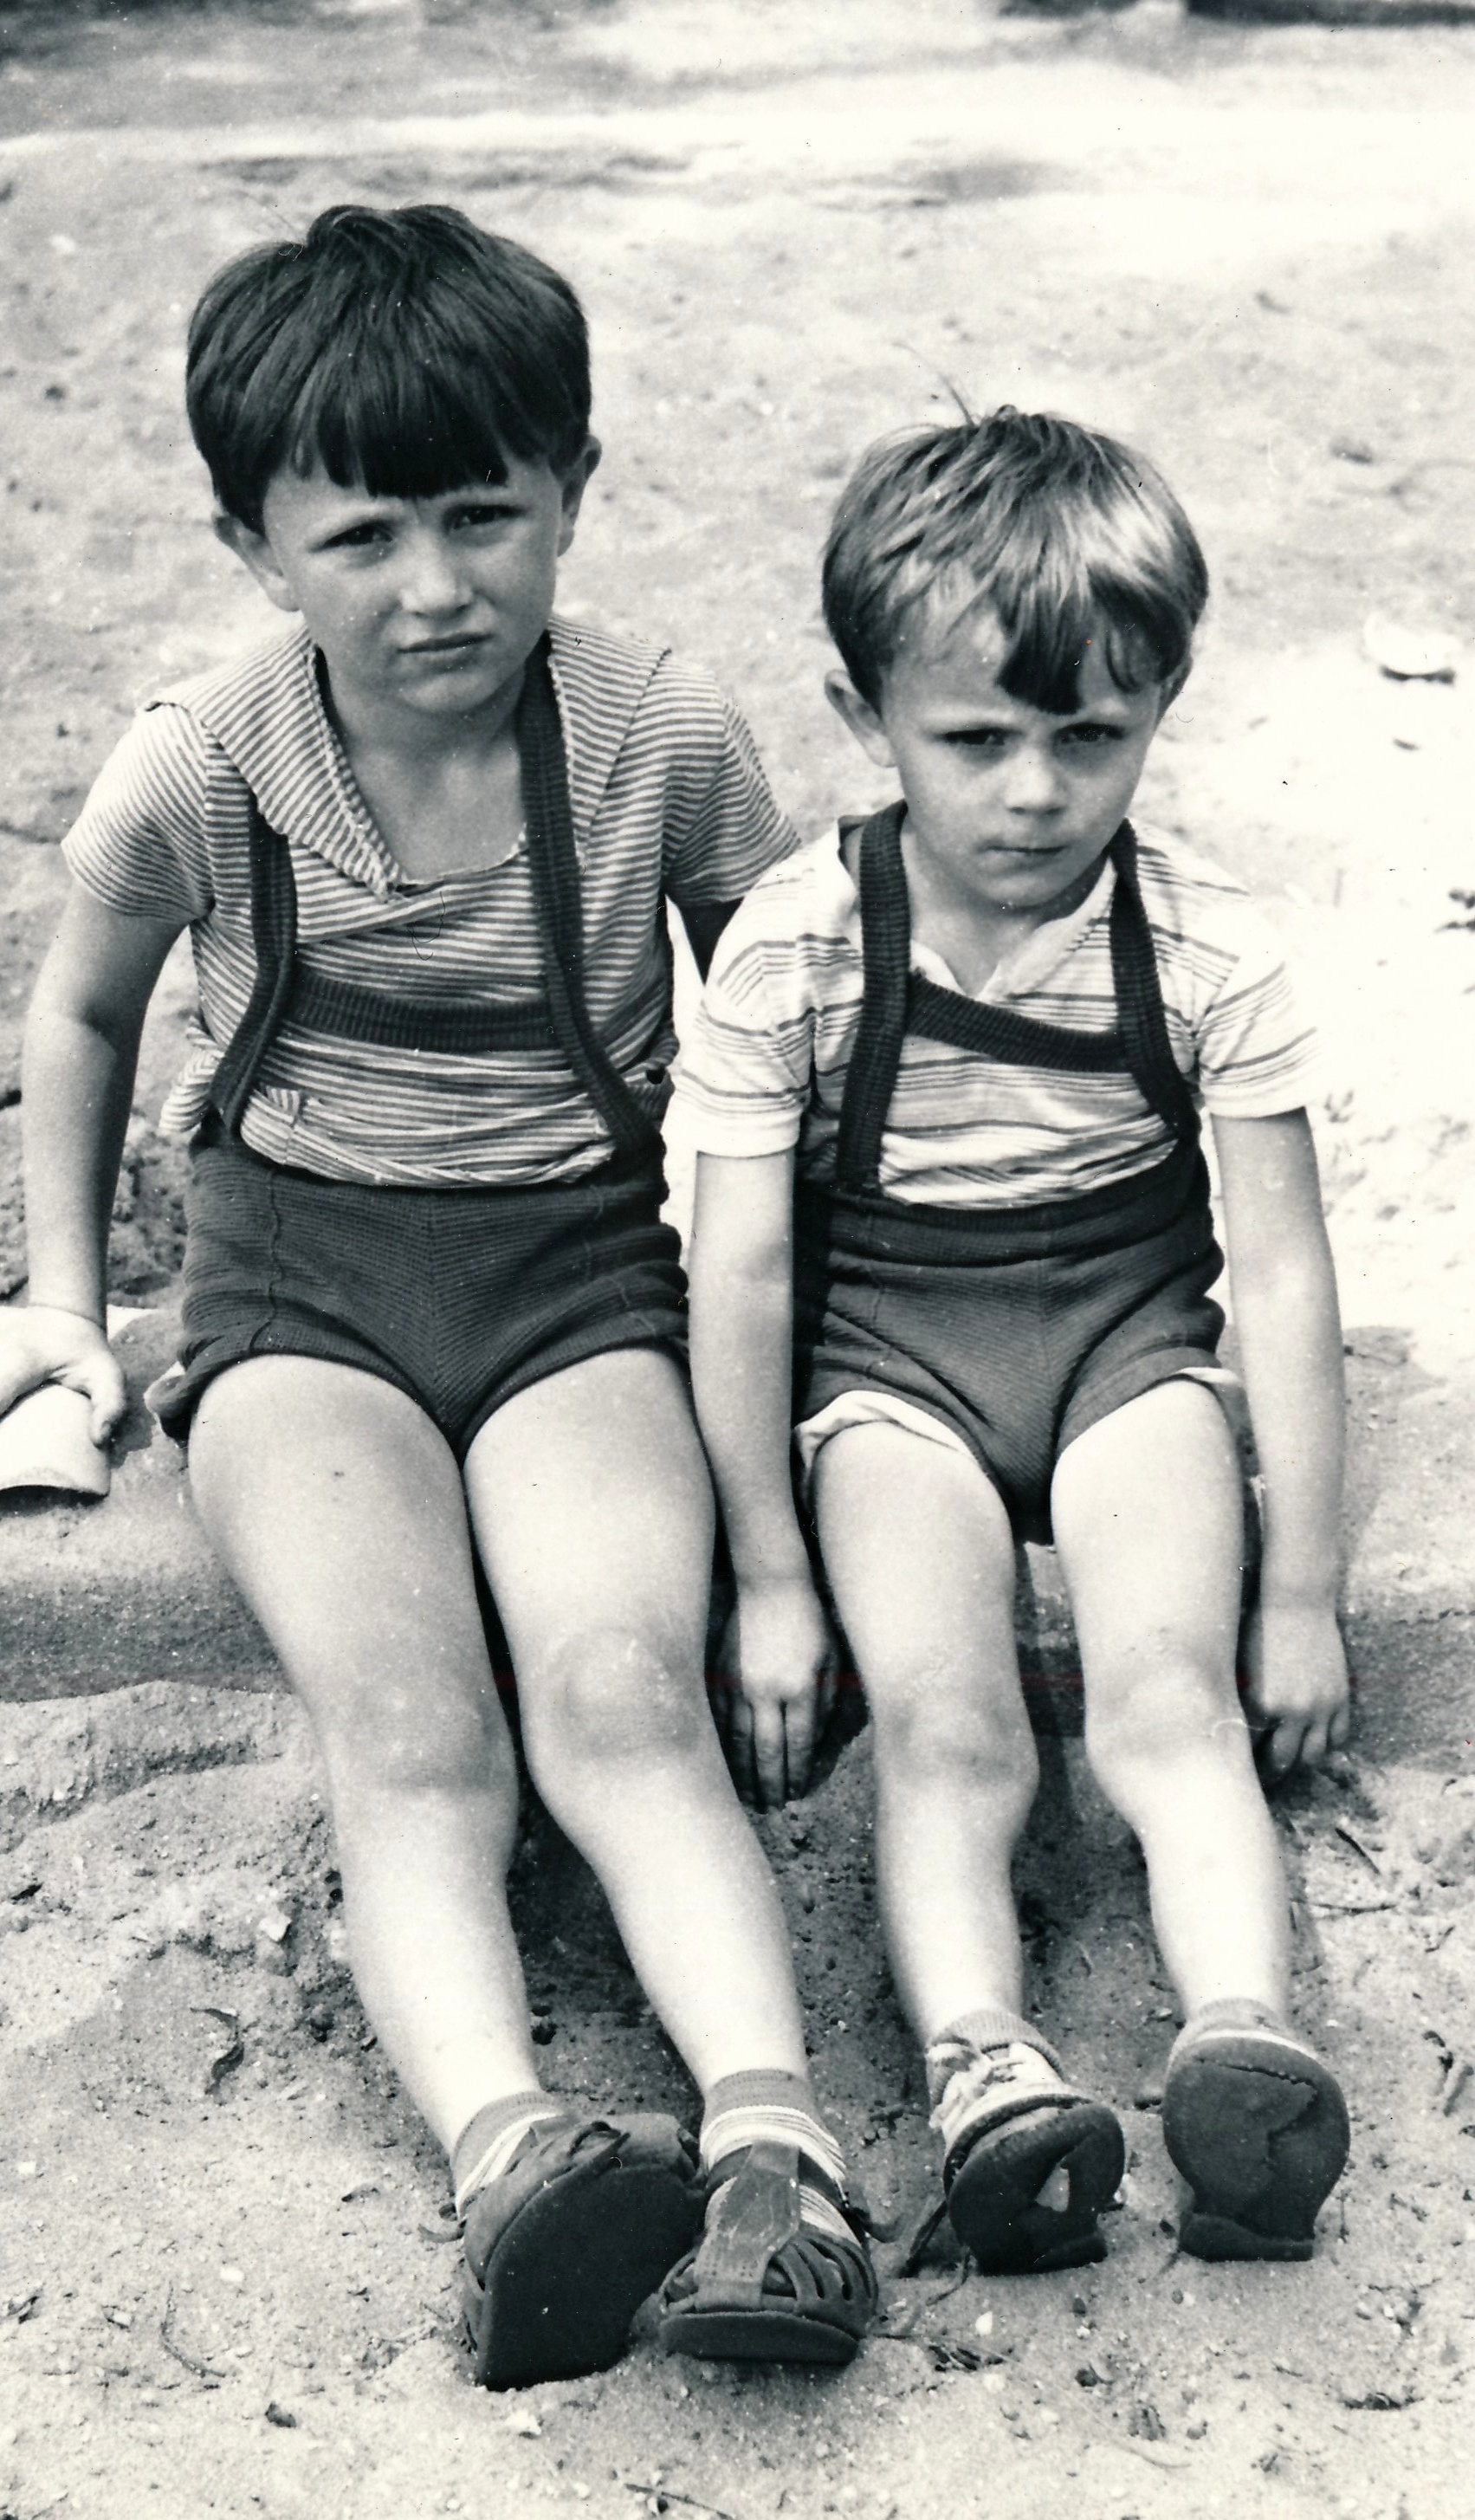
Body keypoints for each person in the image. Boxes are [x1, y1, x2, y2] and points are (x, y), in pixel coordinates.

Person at [0, 204, 877, 2382]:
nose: (435, 587)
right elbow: (83, 1012)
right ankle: (514, 2161)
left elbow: (790, 1033)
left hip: (578, 1278)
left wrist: (817, 1332)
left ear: (574, 490)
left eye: (485, 516)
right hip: (298, 1299)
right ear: (252, 545)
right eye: (361, 536)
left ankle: (779, 2160)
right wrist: (62, 1307)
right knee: (407, 1725)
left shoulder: (659, 739)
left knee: (624, 1692)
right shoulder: (208, 759)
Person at [676, 406, 1352, 2276]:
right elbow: (742, 1268)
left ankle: (1240, 2047)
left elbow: (1284, 1272)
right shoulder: (804, 941)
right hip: (891, 1371)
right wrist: (767, 1573)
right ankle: (985, 2062)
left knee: (1169, 1701)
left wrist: (1303, 1588)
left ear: (1159, 707)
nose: (1037, 792)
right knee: (949, 1722)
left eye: (1092, 735)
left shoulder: (1201, 940)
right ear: (864, 714)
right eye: (975, 739)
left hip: (1125, 1344)